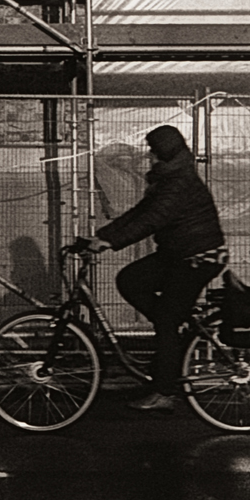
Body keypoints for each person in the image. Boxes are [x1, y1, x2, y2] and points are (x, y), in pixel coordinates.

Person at [69, 123, 228, 411]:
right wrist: (103, 236)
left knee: (167, 319)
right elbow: (139, 213)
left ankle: (165, 389)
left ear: (164, 155)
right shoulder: (170, 178)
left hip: (199, 258)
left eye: (153, 152)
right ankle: (170, 341)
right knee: (130, 280)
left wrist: (111, 243)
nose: (150, 157)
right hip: (178, 254)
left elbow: (153, 219)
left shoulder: (178, 182)